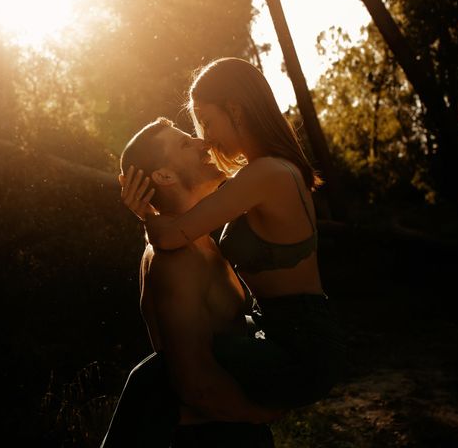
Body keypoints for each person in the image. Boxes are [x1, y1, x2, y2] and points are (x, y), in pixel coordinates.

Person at [121, 57, 345, 411]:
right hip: (282, 333)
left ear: (236, 111)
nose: (206, 140)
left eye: (207, 122)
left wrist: (144, 210)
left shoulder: (265, 174)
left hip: (300, 346)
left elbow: (171, 235)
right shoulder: (268, 172)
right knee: (162, 372)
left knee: (158, 373)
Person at [102, 117, 278, 448]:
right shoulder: (177, 258)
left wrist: (150, 216)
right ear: (165, 176)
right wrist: (265, 412)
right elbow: (194, 384)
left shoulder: (186, 240)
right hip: (215, 436)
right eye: (186, 143)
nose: (203, 142)